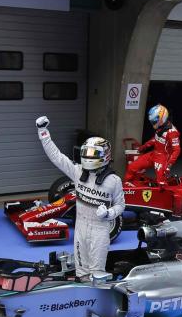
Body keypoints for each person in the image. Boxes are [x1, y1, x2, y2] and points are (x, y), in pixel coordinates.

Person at [35, 116, 124, 279]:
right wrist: (43, 132)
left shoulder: (114, 181)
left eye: (93, 153)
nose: (88, 157)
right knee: (81, 270)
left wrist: (109, 214)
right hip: (80, 225)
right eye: (87, 153)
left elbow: (121, 205)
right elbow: (57, 157)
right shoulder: (77, 172)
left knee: (97, 272)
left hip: (100, 229)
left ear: (104, 155)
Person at [125, 104, 181, 185]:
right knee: (131, 167)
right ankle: (126, 188)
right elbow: (155, 139)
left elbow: (177, 150)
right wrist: (143, 147)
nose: (153, 123)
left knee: (161, 182)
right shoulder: (160, 127)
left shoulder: (172, 132)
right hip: (154, 154)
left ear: (162, 118)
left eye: (154, 121)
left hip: (163, 158)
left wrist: (168, 166)